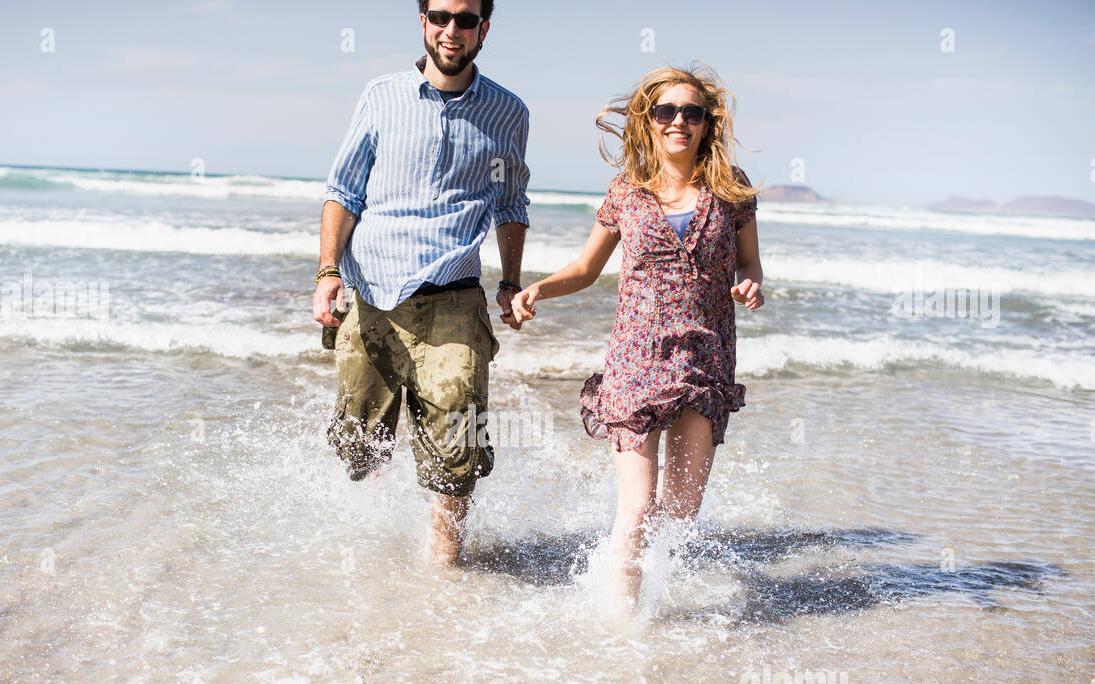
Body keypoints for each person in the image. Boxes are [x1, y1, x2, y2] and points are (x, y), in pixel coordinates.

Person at [511, 65, 764, 615]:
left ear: (706, 124)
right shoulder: (627, 190)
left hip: (706, 359)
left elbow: (750, 265)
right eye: (666, 111)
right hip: (637, 358)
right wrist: (539, 290)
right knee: (638, 507)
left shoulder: (732, 190)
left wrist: (749, 284)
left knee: (681, 511)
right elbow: (585, 267)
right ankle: (622, 626)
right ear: (648, 121)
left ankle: (655, 604)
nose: (679, 121)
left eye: (691, 112)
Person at [313, 0, 530, 566]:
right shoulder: (381, 96)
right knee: (361, 443)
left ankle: (443, 563)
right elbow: (344, 192)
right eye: (440, 17)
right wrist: (328, 272)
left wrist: (510, 280)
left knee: (457, 437)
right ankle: (372, 551)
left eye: (464, 19)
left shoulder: (508, 114)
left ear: (484, 28)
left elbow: (509, 202)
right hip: (372, 298)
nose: (450, 30)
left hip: (453, 296)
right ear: (423, 23)